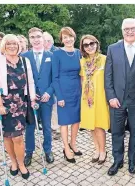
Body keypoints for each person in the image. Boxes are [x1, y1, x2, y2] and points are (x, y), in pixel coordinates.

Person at [104, 18, 135, 176]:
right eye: (126, 29)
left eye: (133, 29)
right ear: (122, 30)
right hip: (117, 99)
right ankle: (118, 160)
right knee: (117, 132)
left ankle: (132, 160)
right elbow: (108, 76)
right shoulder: (112, 48)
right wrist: (110, 96)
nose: (130, 32)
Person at [0, 34, 36, 179]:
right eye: (9, 43)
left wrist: (32, 98)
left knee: (18, 138)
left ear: (19, 45)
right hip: (2, 104)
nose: (12, 46)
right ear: (4, 45)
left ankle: (21, 164)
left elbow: (30, 82)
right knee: (7, 137)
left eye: (14, 43)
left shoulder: (24, 60)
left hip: (20, 104)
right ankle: (13, 162)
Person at [22, 27, 54, 166]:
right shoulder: (24, 57)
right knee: (30, 127)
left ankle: (48, 150)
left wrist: (48, 92)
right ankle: (29, 152)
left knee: (47, 126)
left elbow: (55, 78)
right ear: (30, 39)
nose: (36, 39)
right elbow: (21, 79)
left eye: (38, 37)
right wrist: (30, 94)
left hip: (47, 98)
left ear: (43, 39)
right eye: (33, 37)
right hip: (31, 99)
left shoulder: (51, 56)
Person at [52, 27, 82, 163]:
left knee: (76, 120)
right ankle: (66, 148)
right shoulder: (57, 54)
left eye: (70, 36)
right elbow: (55, 77)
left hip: (77, 91)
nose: (68, 39)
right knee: (64, 122)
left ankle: (73, 143)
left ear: (74, 37)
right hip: (63, 92)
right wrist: (60, 96)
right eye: (65, 37)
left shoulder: (79, 53)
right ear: (61, 40)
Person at [79, 34, 110, 164]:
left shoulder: (105, 59)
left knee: (99, 126)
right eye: (86, 45)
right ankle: (96, 149)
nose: (89, 47)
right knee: (91, 126)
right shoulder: (82, 62)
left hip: (101, 98)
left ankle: (103, 151)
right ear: (83, 48)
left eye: (92, 43)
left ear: (97, 44)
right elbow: (82, 80)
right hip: (88, 100)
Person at [43, 31, 60, 140]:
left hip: (56, 83)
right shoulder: (40, 52)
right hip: (45, 84)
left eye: (49, 40)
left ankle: (57, 128)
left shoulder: (57, 51)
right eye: (45, 41)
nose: (47, 42)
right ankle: (48, 127)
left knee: (55, 107)